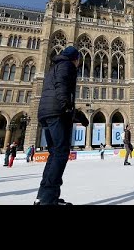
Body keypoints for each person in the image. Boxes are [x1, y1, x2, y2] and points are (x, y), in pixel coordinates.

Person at [34, 46, 88, 205]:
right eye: (78, 59)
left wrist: (76, 115)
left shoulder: (55, 67)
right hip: (57, 112)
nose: (78, 63)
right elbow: (62, 87)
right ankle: (48, 198)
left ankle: (44, 196)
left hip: (47, 112)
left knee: (55, 153)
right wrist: (67, 107)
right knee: (60, 153)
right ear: (75, 59)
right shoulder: (67, 66)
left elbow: (59, 90)